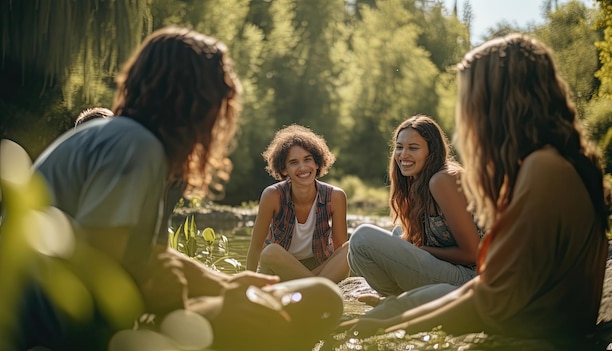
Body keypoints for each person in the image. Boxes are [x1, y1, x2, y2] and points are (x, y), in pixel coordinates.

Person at [12, 26, 343, 351]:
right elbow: (102, 271)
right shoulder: (134, 144)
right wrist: (178, 303)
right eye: (219, 99)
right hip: (56, 329)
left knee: (317, 296)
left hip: (81, 319)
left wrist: (225, 284)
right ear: (193, 98)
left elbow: (151, 256)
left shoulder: (130, 141)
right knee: (303, 307)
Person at [337, 33, 610, 347]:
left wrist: (395, 321)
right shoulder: (548, 163)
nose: (466, 114)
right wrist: (395, 315)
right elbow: (494, 285)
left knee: (388, 314)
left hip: (538, 328)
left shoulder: (544, 168)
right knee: (392, 310)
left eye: (471, 99)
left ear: (502, 100)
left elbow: (492, 293)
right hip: (527, 316)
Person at [347, 115, 483, 316]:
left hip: (470, 278)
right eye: (399, 147)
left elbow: (472, 253)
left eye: (413, 148)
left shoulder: (442, 179)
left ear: (432, 152)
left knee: (362, 238)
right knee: (394, 234)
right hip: (449, 272)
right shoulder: (417, 183)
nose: (403, 154)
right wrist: (413, 246)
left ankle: (402, 302)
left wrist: (419, 249)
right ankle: (403, 301)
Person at [246, 124, 350, 283]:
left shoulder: (335, 197)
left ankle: (313, 285)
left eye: (308, 159)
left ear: (317, 163)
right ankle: (318, 286)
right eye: (294, 162)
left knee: (352, 247)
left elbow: (339, 250)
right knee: (269, 252)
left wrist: (337, 272)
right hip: (279, 268)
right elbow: (255, 248)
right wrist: (247, 286)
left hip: (318, 266)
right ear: (284, 169)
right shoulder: (272, 195)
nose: (302, 167)